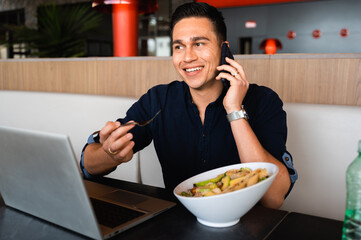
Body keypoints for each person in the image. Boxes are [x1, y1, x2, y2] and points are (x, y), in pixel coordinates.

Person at [80, 2, 297, 209]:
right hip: (176, 225)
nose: (188, 57)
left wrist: (234, 110)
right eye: (179, 46)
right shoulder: (159, 99)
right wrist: (109, 154)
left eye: (199, 44)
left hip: (247, 226)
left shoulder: (263, 101)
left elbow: (273, 198)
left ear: (224, 50)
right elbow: (88, 165)